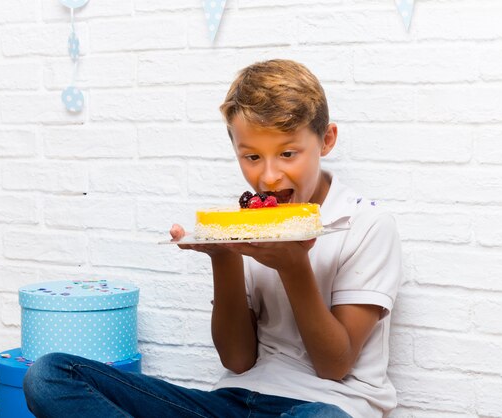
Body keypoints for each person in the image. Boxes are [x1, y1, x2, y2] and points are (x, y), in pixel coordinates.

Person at [23, 59, 402, 418]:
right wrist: (224, 257)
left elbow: (334, 366)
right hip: (232, 403)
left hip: (325, 404)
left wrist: (293, 265)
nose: (268, 177)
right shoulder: (248, 227)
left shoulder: (368, 225)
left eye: (288, 153)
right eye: (252, 157)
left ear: (326, 140)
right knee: (50, 375)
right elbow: (237, 360)